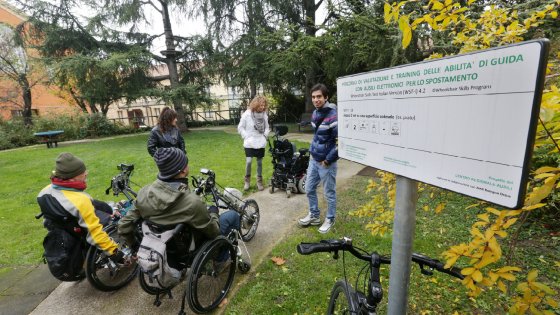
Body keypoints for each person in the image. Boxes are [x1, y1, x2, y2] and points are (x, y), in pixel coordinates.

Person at [118, 147, 240, 249]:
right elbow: (214, 232)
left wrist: (134, 246)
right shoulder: (192, 203)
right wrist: (213, 213)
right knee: (232, 216)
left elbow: (124, 225)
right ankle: (221, 258)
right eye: (185, 162)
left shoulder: (143, 193)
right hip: (191, 248)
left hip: (163, 249)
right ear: (182, 171)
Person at [37, 152, 125, 263]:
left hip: (66, 227)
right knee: (115, 218)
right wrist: (115, 253)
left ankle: (112, 208)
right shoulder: (80, 201)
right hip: (82, 229)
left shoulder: (44, 192)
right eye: (82, 173)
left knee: (105, 207)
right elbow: (95, 233)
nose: (86, 173)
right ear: (71, 178)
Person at [298, 83, 338, 234]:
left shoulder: (333, 116)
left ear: (326, 97)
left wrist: (328, 160)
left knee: (329, 192)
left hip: (326, 163)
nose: (316, 100)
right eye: (313, 97)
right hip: (314, 159)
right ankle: (314, 216)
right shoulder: (315, 113)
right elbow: (318, 135)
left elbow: (340, 142)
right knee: (309, 188)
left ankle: (330, 218)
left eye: (319, 96)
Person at [237, 96, 270, 191]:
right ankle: (247, 181)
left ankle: (259, 181)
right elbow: (240, 127)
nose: (263, 107)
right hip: (249, 141)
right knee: (249, 161)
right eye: (261, 105)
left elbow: (267, 127)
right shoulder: (247, 114)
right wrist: (246, 136)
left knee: (259, 162)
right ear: (255, 104)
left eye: (264, 105)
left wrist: (265, 136)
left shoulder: (264, 115)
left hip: (260, 140)